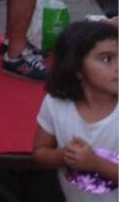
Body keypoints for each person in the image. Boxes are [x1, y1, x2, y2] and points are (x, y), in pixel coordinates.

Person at [33, 21, 118, 201]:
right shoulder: (56, 104)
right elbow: (40, 152)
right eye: (106, 59)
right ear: (76, 68)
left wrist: (96, 163)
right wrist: (65, 156)